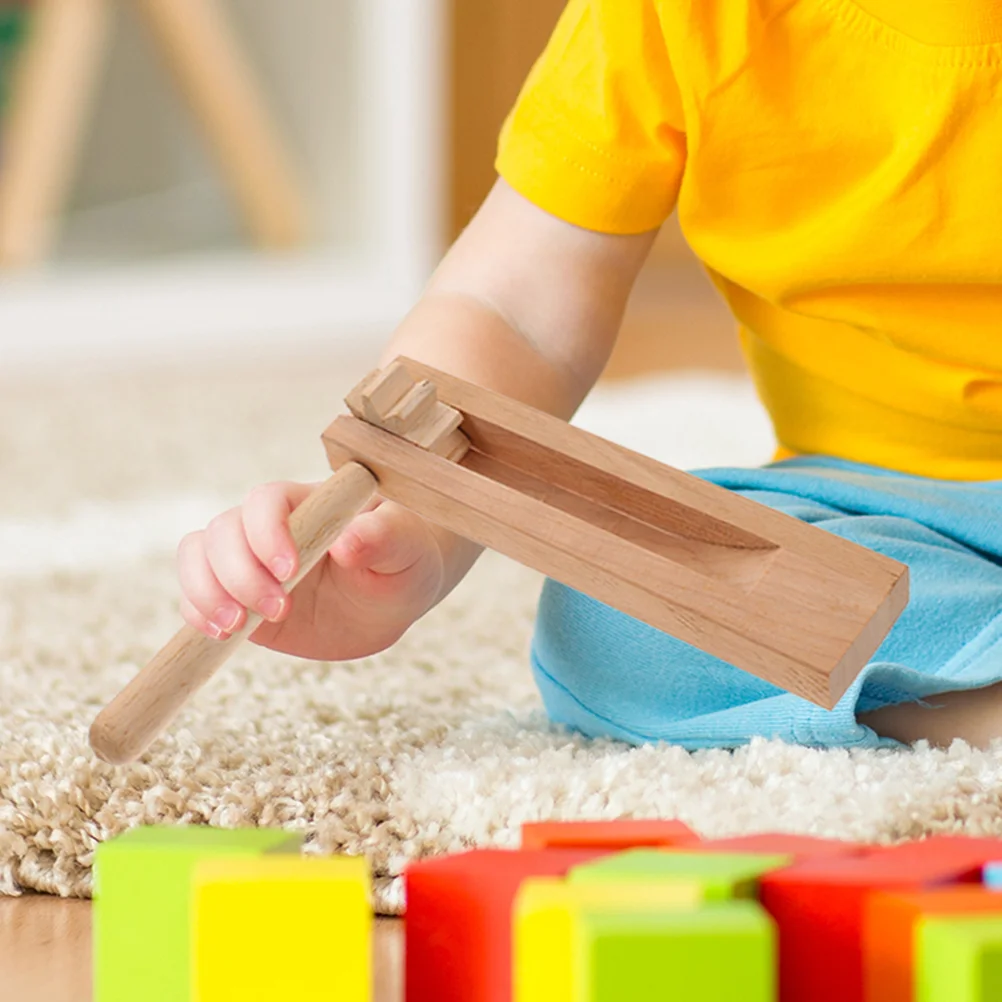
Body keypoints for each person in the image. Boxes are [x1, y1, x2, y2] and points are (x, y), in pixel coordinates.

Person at [175, 0, 1002, 750]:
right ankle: (976, 706)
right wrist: (414, 521)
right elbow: (513, 313)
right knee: (614, 617)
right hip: (877, 510)